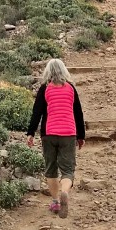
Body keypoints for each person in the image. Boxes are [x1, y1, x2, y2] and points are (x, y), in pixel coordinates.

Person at [25, 57, 86, 218]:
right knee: (68, 170)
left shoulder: (44, 88)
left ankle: (55, 201)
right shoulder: (71, 88)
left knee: (51, 168)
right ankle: (64, 191)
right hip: (68, 134)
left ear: (48, 72)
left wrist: (30, 133)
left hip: (49, 134)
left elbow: (37, 112)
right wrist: (81, 136)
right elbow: (78, 113)